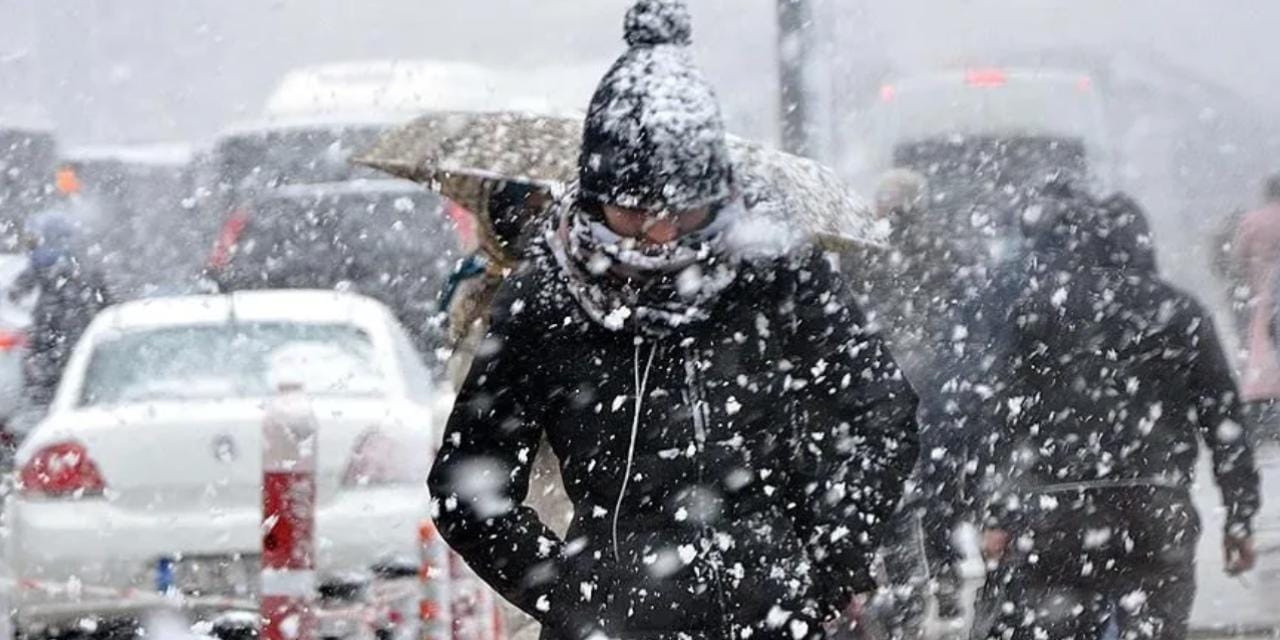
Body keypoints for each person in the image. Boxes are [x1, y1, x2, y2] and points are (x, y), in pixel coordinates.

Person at [427, 2, 921, 639]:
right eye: (634, 210)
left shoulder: (773, 274)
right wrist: (568, 595)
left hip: (769, 618)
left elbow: (881, 411)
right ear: (595, 194)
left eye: (682, 211)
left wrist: (829, 562)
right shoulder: (545, 301)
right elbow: (468, 486)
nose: (660, 234)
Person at [974, 184, 1261, 640]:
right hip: (1154, 501)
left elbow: (1003, 415)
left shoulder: (1037, 309)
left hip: (1057, 503)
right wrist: (1239, 516)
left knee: (1058, 623)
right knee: (1151, 624)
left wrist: (996, 513)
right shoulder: (1178, 310)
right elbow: (1222, 417)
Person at [13, 210, 112, 412]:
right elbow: (102, 293)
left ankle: (48, 409)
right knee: (77, 373)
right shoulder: (80, 260)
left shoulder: (41, 260)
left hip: (48, 326)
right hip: (79, 326)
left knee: (46, 379)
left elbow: (19, 289)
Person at [1232, 173, 1280, 440]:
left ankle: (1264, 408)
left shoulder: (1253, 221)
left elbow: (1239, 255)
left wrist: (1250, 277)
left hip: (1261, 291)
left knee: (1261, 348)